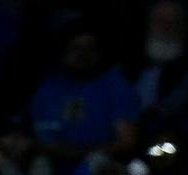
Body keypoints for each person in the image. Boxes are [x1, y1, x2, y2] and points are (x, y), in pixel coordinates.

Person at [28, 28, 139, 167]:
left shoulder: (115, 85)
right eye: (76, 48)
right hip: (51, 170)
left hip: (101, 168)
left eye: (89, 48)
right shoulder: (50, 87)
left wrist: (83, 155)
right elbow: (43, 139)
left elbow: (127, 141)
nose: (83, 54)